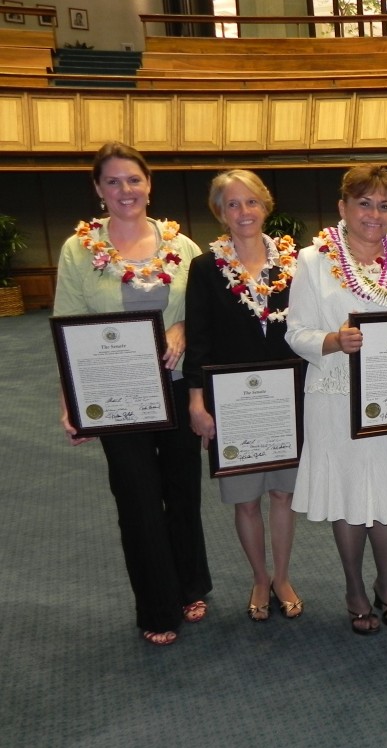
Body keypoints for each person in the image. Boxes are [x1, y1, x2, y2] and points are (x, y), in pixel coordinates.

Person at [54, 142, 211, 647]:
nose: (126, 190)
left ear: (150, 184)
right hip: (117, 394)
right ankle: (157, 606)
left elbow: (203, 313)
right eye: (114, 181)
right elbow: (67, 329)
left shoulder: (182, 247)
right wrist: (71, 405)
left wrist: (182, 328)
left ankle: (190, 584)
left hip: (178, 387)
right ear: (98, 190)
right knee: (138, 499)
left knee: (182, 492)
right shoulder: (78, 250)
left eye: (134, 180)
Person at [286, 164, 387, 634]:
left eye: (383, 205)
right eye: (363, 203)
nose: (374, 215)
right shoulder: (313, 260)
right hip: (337, 398)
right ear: (342, 207)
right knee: (350, 496)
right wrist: (335, 340)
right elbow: (295, 333)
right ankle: (355, 587)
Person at [184, 170, 303, 623]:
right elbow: (198, 339)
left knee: (282, 496)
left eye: (251, 202)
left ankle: (284, 575)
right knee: (246, 499)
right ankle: (259, 576)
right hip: (231, 401)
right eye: (232, 204)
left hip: (285, 398)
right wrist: (197, 403)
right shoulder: (205, 268)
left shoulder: (294, 262)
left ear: (265, 206)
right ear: (220, 212)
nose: (243, 212)